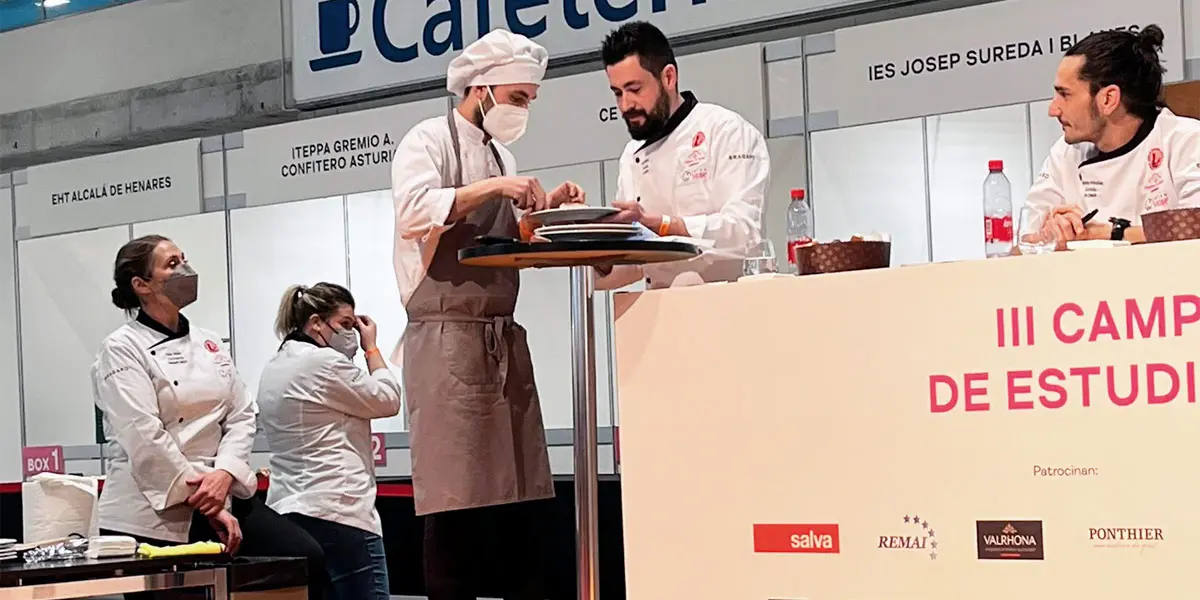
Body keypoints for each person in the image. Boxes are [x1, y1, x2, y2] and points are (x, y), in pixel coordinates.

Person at [390, 29, 581, 600]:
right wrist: (495, 185)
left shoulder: (503, 153)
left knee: (516, 497)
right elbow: (413, 212)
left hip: (501, 340)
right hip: (447, 341)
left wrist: (546, 212)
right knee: (456, 506)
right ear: (482, 88)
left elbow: (505, 239)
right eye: (519, 97)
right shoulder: (427, 140)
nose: (524, 108)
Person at [93, 235, 326, 599]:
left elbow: (241, 413)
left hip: (220, 485)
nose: (185, 270)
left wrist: (224, 472)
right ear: (141, 285)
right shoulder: (121, 348)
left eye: (184, 260)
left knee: (304, 557)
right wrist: (207, 499)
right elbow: (143, 435)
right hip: (154, 505)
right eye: (171, 264)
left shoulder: (210, 342)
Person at [595, 21, 771, 290]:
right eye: (617, 93)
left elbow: (743, 232)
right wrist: (585, 243)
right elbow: (635, 266)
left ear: (668, 77)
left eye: (634, 89)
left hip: (728, 306)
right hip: (660, 310)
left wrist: (665, 225)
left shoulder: (726, 131)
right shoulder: (631, 155)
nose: (625, 105)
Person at [257, 283, 402, 600]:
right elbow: (388, 399)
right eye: (346, 324)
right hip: (340, 510)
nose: (352, 332)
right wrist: (372, 349)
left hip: (290, 511)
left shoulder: (275, 365)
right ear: (315, 323)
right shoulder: (322, 363)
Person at [1027, 24, 1200, 245]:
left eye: (1065, 95)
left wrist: (1106, 232)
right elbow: (1020, 244)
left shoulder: (1185, 140)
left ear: (1108, 99)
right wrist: (1050, 234)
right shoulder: (1064, 153)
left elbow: (1196, 222)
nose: (1053, 110)